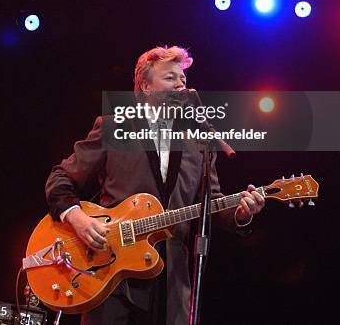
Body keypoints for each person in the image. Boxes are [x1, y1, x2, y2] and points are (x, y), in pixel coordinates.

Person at [45, 46, 265, 324]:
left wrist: (242, 213)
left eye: (183, 79)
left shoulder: (199, 144)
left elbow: (214, 203)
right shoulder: (113, 128)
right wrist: (77, 219)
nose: (181, 84)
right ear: (146, 87)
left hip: (171, 281)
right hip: (111, 273)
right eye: (170, 78)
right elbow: (60, 178)